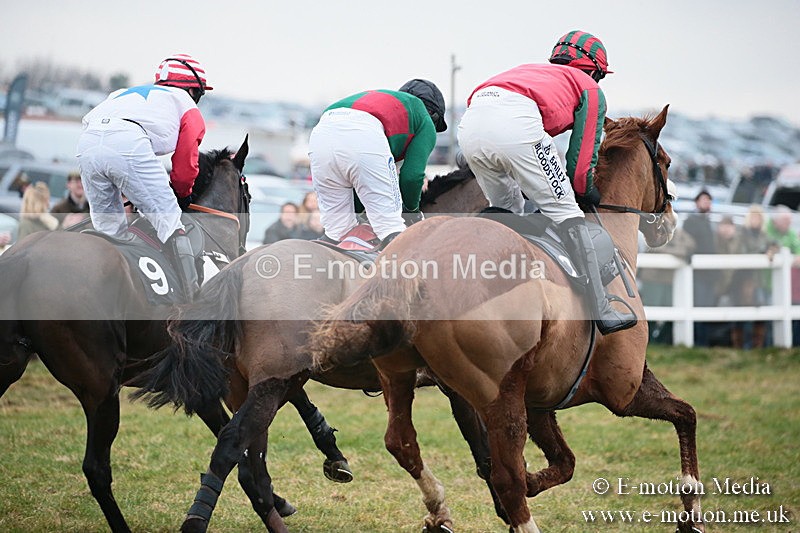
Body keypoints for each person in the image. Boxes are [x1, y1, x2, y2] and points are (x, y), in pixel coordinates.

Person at [457, 30, 633, 335]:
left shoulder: (531, 71)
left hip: (471, 123)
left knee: (507, 210)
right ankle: (601, 308)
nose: (598, 82)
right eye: (599, 76)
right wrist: (586, 191)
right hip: (515, 125)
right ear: (592, 69)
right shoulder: (589, 87)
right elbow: (581, 163)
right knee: (567, 212)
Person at [76, 53, 212, 299]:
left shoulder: (120, 94)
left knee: (109, 230)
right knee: (171, 223)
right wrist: (182, 195)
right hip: (128, 142)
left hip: (86, 142)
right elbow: (184, 165)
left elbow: (108, 151)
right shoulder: (187, 105)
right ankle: (193, 303)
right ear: (194, 90)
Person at [308, 79, 447, 247]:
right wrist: (412, 212)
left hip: (321, 132)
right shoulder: (422, 117)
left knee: (337, 232)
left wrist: (359, 212)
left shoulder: (387, 103)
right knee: (391, 229)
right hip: (363, 131)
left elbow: (359, 181)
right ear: (434, 116)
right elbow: (412, 177)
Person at [682, 189, 717, 346]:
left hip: (710, 274)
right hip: (696, 274)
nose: (706, 203)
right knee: (697, 306)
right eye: (704, 200)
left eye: (708, 200)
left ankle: (705, 342)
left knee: (707, 307)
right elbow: (687, 243)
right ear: (697, 202)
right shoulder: (691, 221)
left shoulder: (709, 222)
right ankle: (697, 342)